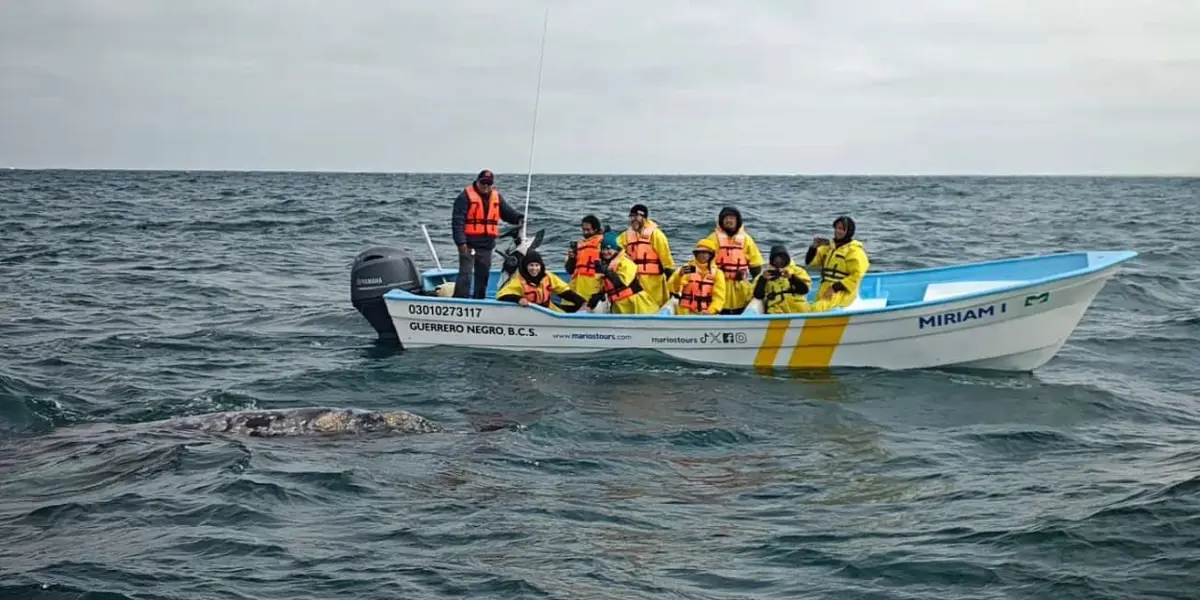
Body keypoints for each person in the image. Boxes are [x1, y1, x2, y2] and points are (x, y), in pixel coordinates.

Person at [450, 169, 524, 299]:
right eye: (483, 182)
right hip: (468, 244)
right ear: (477, 181)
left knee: (483, 276)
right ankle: (460, 300)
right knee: (466, 274)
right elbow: (457, 221)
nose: (486, 186)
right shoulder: (464, 197)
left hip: (486, 245)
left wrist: (520, 218)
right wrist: (461, 242)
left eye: (489, 183)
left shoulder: (497, 197)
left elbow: (507, 213)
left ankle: (479, 300)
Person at [702, 206, 764, 314]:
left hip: (740, 287)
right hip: (718, 286)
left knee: (742, 308)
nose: (728, 221)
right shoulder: (712, 239)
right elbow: (702, 262)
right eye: (725, 218)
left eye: (732, 218)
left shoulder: (746, 240)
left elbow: (755, 265)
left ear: (738, 221)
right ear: (721, 221)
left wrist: (757, 283)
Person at [805, 215, 869, 312]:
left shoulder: (854, 251)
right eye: (836, 228)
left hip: (842, 293)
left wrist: (835, 288)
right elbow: (810, 263)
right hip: (824, 290)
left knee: (816, 309)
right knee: (806, 307)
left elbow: (856, 275)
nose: (837, 231)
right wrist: (813, 247)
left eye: (841, 229)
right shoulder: (829, 247)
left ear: (848, 232)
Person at [586, 231, 658, 315]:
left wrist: (606, 271)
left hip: (637, 305)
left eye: (609, 249)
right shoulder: (605, 265)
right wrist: (590, 304)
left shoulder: (625, 262)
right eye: (603, 249)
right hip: (618, 307)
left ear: (615, 249)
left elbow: (621, 282)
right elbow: (602, 288)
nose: (606, 252)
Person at [617, 204, 675, 306]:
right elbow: (615, 249)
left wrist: (672, 287)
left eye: (636, 216)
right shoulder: (625, 235)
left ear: (644, 217)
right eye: (632, 217)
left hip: (653, 284)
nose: (633, 219)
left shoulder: (656, 235)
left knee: (654, 306)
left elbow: (667, 262)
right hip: (634, 282)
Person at [496, 250, 586, 311]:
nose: (534, 268)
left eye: (537, 265)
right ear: (526, 266)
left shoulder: (547, 276)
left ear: (541, 266)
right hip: (530, 312)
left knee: (576, 307)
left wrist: (581, 302)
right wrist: (518, 299)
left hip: (549, 310)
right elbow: (502, 295)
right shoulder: (519, 279)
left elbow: (564, 291)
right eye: (531, 265)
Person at [663, 238, 727, 315]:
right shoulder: (687, 269)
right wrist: (679, 276)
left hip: (707, 314)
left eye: (705, 253)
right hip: (685, 313)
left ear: (711, 255)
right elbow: (673, 289)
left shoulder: (717, 273)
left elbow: (719, 297)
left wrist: (711, 311)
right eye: (699, 253)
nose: (702, 255)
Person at [750, 244, 813, 314]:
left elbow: (805, 290)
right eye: (776, 261)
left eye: (782, 260)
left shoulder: (798, 271)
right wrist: (763, 280)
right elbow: (758, 295)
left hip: (798, 307)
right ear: (772, 261)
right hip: (776, 309)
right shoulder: (765, 274)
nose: (779, 264)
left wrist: (791, 277)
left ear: (787, 259)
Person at [562, 215, 605, 312]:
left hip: (592, 291)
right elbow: (569, 270)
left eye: (588, 230)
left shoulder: (603, 244)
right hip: (575, 290)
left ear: (596, 229)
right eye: (583, 229)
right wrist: (572, 258)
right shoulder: (578, 245)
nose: (585, 232)